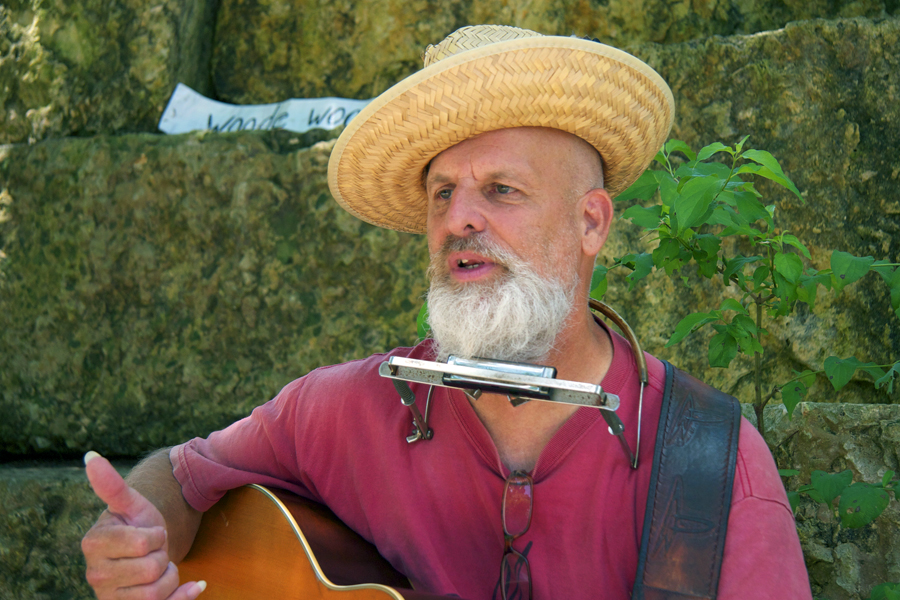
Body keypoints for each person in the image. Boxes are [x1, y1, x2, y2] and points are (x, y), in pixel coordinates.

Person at [81, 25, 813, 600]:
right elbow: (181, 475)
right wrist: (141, 538)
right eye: (442, 193)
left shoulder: (711, 465)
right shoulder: (345, 411)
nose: (458, 218)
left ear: (591, 222)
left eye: (500, 190)